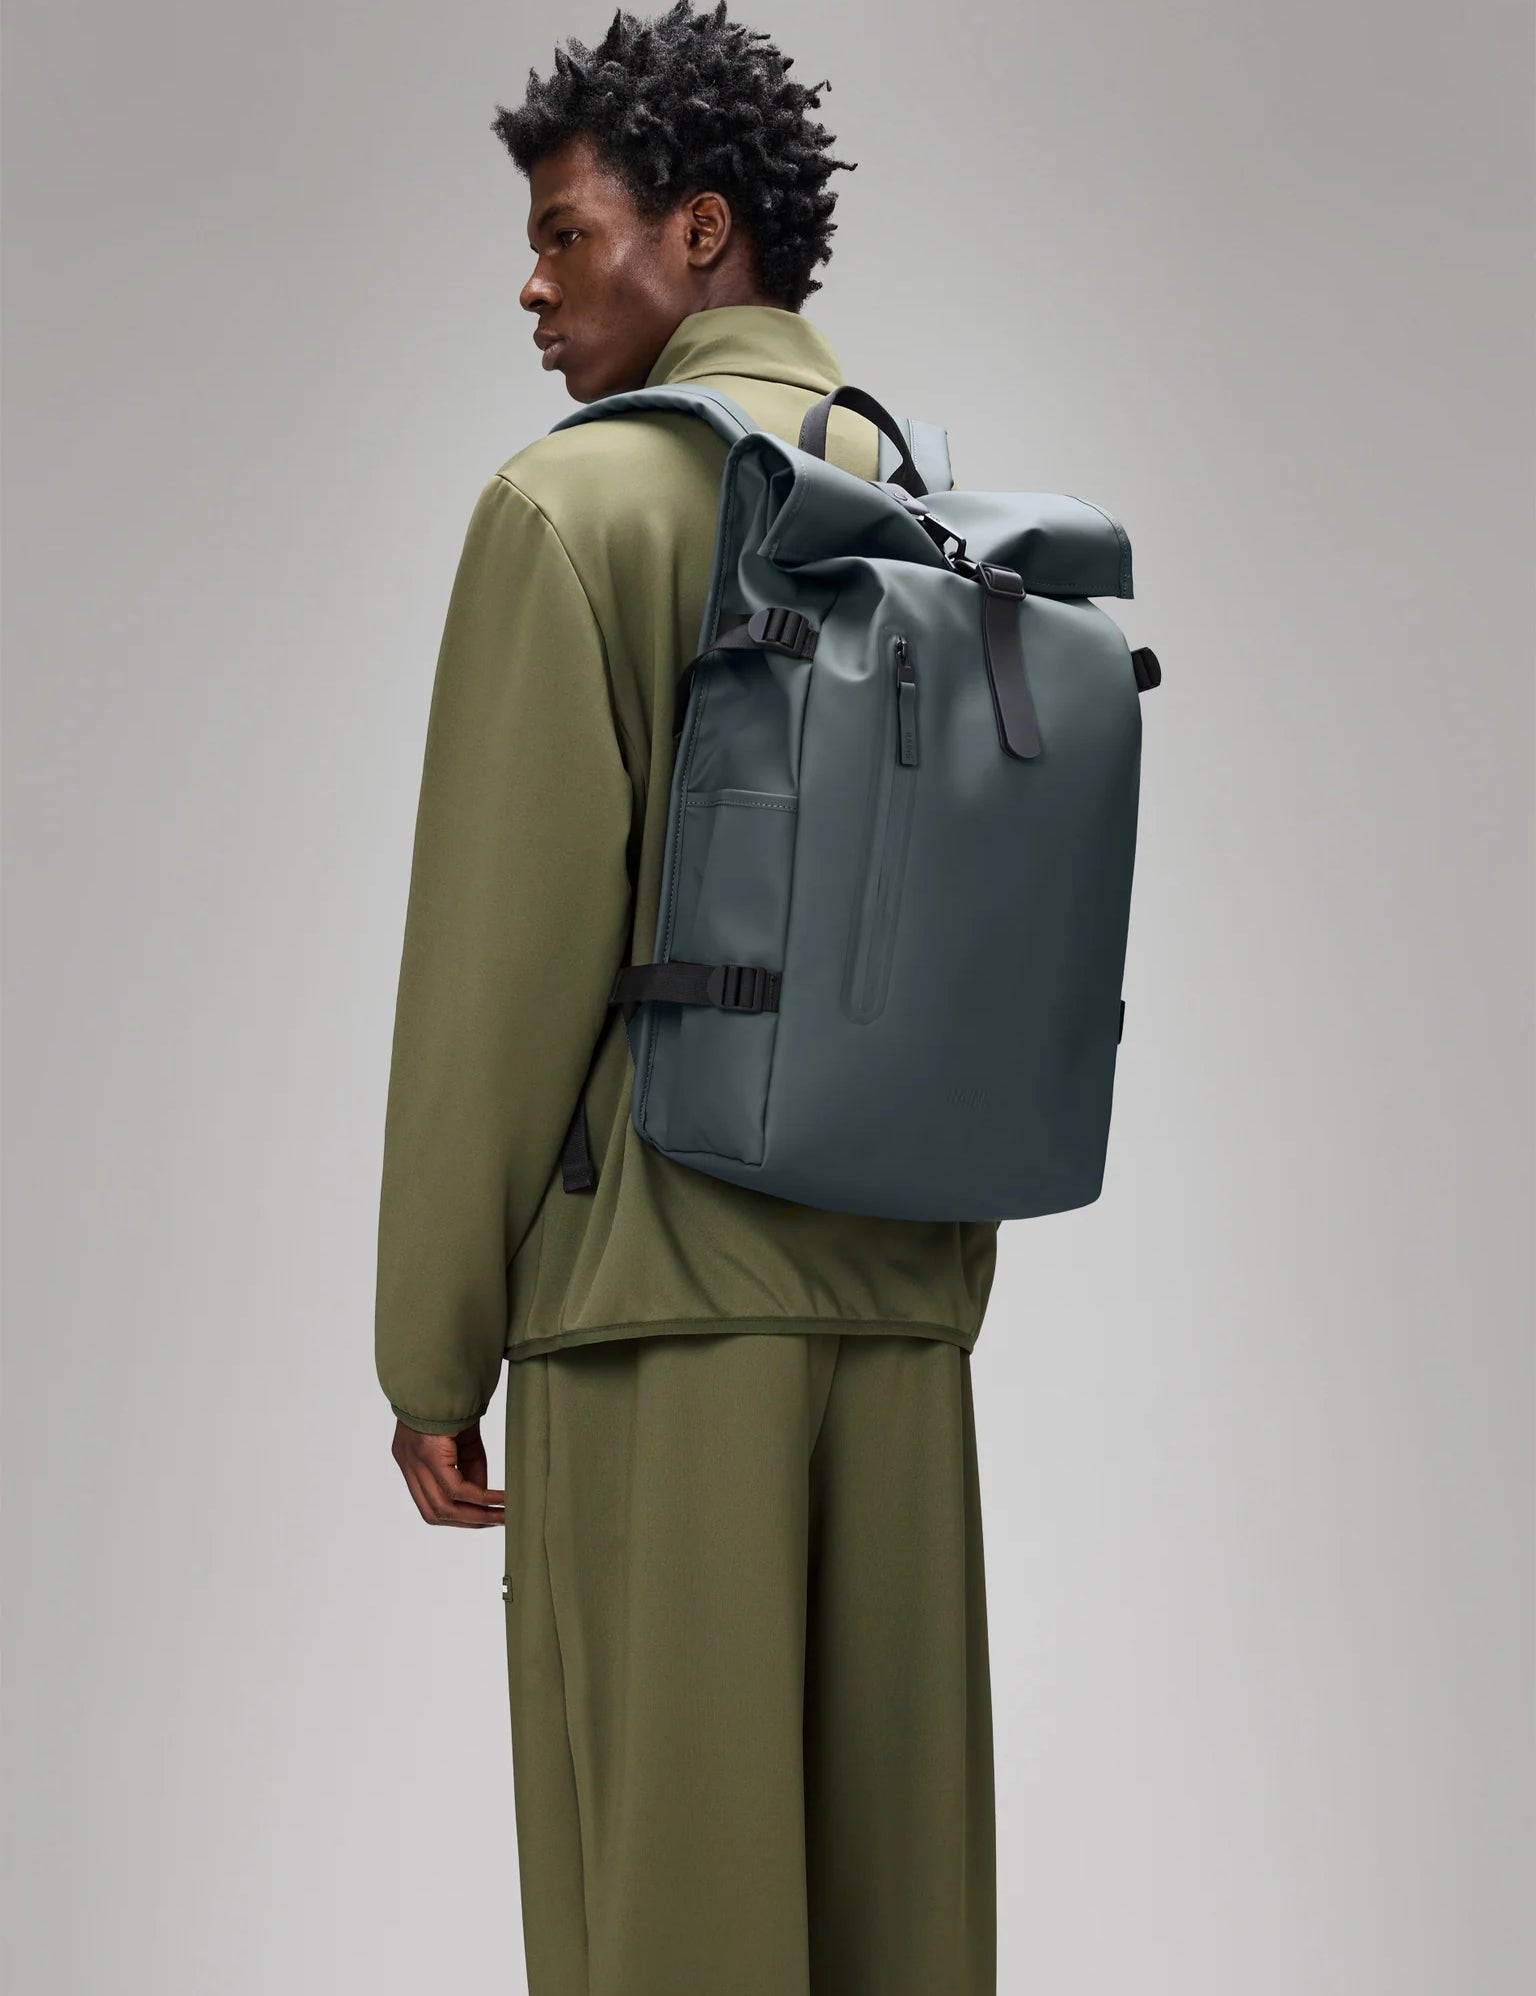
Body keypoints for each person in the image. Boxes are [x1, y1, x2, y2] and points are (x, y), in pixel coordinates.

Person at [375, 5, 999, 1991]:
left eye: (567, 235)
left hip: (652, 1317)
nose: (535, 286)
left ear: (701, 230)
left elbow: (494, 979)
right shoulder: (937, 520)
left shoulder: (568, 512)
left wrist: (429, 1354)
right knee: (903, 1917)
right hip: (902, 1307)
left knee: (668, 1915)